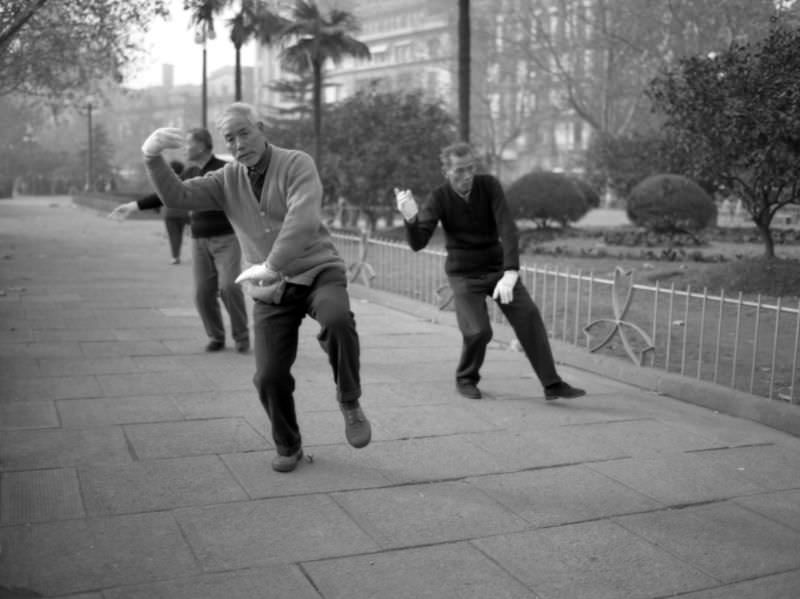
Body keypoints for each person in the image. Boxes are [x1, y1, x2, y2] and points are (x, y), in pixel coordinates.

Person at [139, 102, 370, 473]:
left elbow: (303, 217)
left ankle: (350, 401)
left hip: (317, 270)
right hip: (270, 290)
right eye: (230, 138)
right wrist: (152, 157)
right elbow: (177, 197)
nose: (239, 142)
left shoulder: (296, 163)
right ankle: (289, 445)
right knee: (268, 376)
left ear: (260, 128)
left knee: (338, 318)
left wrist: (271, 264)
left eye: (244, 132)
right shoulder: (226, 179)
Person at [395, 142, 586, 401]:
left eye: (471, 169)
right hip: (464, 275)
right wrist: (410, 219)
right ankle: (466, 378)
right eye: (459, 171)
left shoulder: (490, 186)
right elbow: (418, 243)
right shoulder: (438, 197)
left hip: (497, 270)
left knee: (528, 316)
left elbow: (507, 227)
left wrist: (510, 272)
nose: (467, 176)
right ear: (446, 172)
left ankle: (552, 384)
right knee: (478, 331)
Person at [110, 128, 250, 354]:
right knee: (202, 293)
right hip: (198, 239)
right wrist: (134, 206)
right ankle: (216, 336)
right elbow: (168, 194)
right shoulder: (191, 171)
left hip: (226, 238)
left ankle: (241, 337)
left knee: (229, 287)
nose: (185, 148)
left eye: (189, 144)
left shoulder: (223, 170)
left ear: (203, 145)